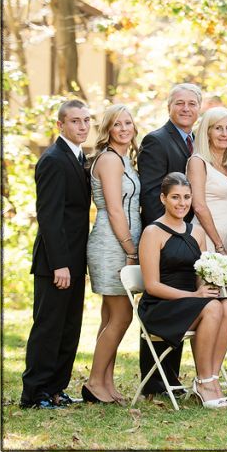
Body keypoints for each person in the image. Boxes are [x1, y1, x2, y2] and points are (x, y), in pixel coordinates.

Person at [137, 173, 227, 408]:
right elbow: (152, 285)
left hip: (191, 303)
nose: (182, 203)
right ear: (163, 198)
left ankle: (211, 379)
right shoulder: (152, 232)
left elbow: (199, 277)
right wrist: (195, 296)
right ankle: (204, 382)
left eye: (187, 197)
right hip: (160, 306)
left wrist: (207, 286)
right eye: (175, 197)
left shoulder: (197, 232)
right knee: (212, 308)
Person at [21, 100, 91, 409]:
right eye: (75, 121)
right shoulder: (52, 159)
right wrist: (60, 264)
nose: (82, 126)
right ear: (60, 125)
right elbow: (49, 217)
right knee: (49, 327)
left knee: (69, 327)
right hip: (55, 262)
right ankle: (35, 393)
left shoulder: (79, 157)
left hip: (75, 260)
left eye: (86, 120)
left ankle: (55, 389)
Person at [137, 82, 202, 396]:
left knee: (186, 297)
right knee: (165, 301)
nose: (186, 109)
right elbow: (152, 194)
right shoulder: (156, 141)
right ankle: (154, 383)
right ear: (169, 107)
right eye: (180, 103)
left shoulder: (198, 143)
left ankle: (171, 380)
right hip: (166, 239)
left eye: (192, 103)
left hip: (188, 238)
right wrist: (166, 235)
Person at [84, 104, 142, 404]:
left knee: (110, 315)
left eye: (128, 123)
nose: (123, 129)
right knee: (122, 315)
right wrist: (130, 249)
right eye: (117, 124)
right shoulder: (108, 160)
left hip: (121, 240)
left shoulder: (123, 158)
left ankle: (105, 382)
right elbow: (115, 209)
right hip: (112, 243)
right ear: (107, 129)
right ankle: (94, 381)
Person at [187, 106, 227, 261]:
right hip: (207, 240)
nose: (225, 134)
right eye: (218, 128)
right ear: (207, 132)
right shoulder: (198, 162)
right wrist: (219, 245)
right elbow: (199, 206)